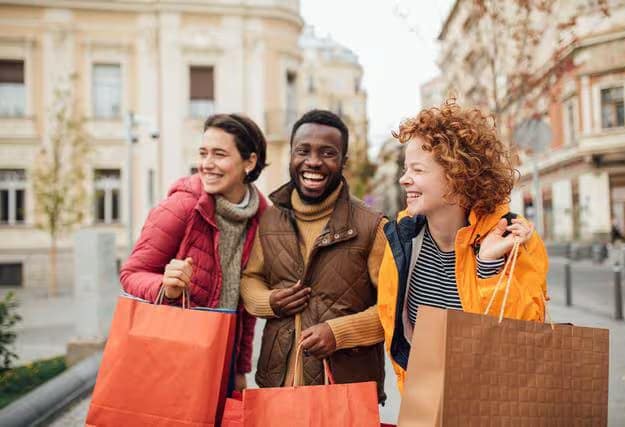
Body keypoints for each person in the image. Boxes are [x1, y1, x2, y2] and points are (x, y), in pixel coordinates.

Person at [377, 101, 549, 391]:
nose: (404, 179)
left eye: (417, 170)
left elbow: (525, 337)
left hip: (494, 404)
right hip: (426, 400)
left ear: (458, 176)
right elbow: (396, 330)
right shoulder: (403, 240)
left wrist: (490, 268)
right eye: (405, 169)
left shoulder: (513, 236)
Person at [240, 110, 387, 402]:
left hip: (345, 392)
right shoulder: (270, 218)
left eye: (328, 153)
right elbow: (250, 278)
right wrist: (268, 302)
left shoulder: (373, 226)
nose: (313, 161)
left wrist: (338, 332)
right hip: (277, 384)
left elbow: (392, 310)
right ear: (291, 156)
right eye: (303, 151)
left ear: (343, 162)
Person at [120, 113, 268, 391]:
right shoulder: (181, 207)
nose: (207, 164)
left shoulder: (262, 218)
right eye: (203, 153)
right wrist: (166, 287)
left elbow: (244, 308)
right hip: (171, 359)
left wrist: (240, 370)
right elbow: (131, 273)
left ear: (250, 161)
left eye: (219, 154)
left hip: (222, 363)